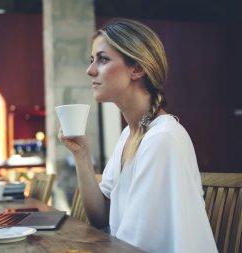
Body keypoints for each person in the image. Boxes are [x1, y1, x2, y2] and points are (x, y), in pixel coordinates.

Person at [58, 19, 218, 253]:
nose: (90, 70)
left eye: (103, 59)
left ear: (137, 69)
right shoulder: (131, 134)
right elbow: (101, 218)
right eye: (92, 60)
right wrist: (82, 156)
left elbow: (135, 244)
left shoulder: (162, 139)